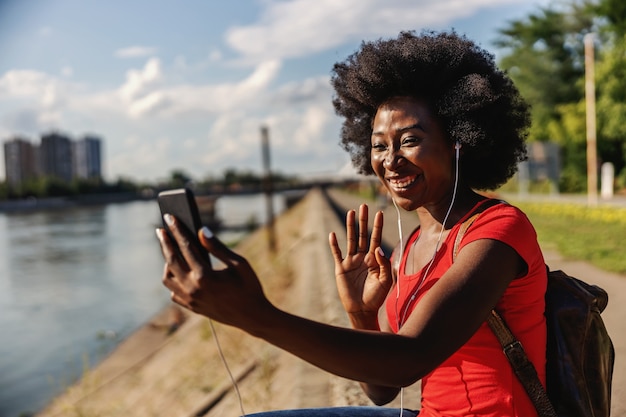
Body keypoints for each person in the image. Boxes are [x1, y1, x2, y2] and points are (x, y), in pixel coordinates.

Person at [156, 30, 547, 417]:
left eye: (409, 140)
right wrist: (361, 314)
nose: (390, 161)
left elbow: (410, 359)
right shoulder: (411, 244)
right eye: (379, 145)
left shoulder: (498, 231)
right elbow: (382, 389)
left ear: (459, 142)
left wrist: (256, 315)